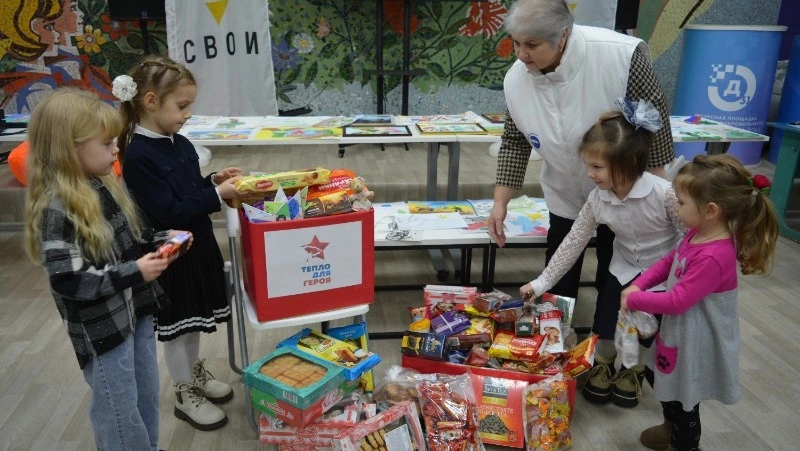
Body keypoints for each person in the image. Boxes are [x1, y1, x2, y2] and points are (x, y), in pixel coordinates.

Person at [490, 0, 674, 372]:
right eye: (516, 43)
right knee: (560, 273)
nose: (521, 55)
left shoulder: (621, 56)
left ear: (563, 36)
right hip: (566, 192)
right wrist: (500, 203)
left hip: (626, 196)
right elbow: (514, 140)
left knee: (620, 274)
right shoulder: (516, 79)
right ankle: (556, 355)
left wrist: (654, 200)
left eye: (532, 45)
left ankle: (618, 362)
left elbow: (655, 125)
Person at [23, 87, 185, 450]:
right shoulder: (57, 208)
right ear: (70, 147)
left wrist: (160, 239)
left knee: (145, 400)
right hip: (105, 332)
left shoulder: (100, 183)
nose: (116, 150)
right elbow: (69, 280)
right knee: (119, 412)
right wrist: (135, 272)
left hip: (135, 314)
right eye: (107, 142)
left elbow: (128, 239)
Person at [520, 100, 684, 408]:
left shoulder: (663, 193)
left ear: (630, 162)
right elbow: (572, 243)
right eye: (588, 166)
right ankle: (605, 363)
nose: (590, 174)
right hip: (622, 268)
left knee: (649, 326)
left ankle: (634, 371)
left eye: (597, 167)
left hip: (663, 273)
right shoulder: (598, 199)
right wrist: (541, 283)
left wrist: (692, 276)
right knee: (607, 318)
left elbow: (690, 235)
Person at [116, 56, 244, 431]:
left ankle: (196, 374)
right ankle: (185, 390)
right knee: (179, 327)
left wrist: (211, 181)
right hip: (172, 257)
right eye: (182, 106)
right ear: (151, 101)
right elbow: (168, 209)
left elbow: (186, 191)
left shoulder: (179, 141)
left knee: (194, 323)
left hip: (198, 246)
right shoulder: (138, 154)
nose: (188, 114)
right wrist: (217, 194)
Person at [621, 154, 779, 451]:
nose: (675, 207)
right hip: (680, 332)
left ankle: (686, 445)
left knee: (686, 400)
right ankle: (669, 428)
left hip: (698, 339)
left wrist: (637, 299)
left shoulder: (714, 255)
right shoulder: (697, 233)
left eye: (681, 202)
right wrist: (639, 284)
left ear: (710, 210)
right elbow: (670, 261)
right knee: (660, 375)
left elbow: (679, 300)